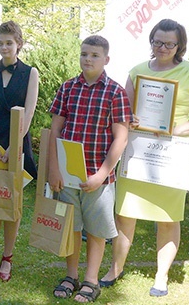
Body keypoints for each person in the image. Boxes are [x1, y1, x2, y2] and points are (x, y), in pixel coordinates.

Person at [101, 19, 189, 297]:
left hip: (172, 154)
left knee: (167, 218)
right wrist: (130, 119)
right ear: (151, 42)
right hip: (138, 152)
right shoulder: (137, 71)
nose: (162, 47)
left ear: (179, 46)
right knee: (125, 214)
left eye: (169, 43)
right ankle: (116, 268)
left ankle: (161, 277)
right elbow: (123, 112)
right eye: (157, 42)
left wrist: (175, 129)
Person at [49, 35, 131, 302]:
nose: (88, 59)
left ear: (106, 59)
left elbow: (121, 137)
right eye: (84, 54)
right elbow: (55, 131)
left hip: (98, 175)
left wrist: (102, 173)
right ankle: (71, 276)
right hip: (68, 173)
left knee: (95, 231)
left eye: (95, 55)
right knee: (71, 226)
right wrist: (53, 169)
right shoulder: (68, 88)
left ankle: (91, 280)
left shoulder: (115, 92)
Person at [0, 21, 39, 285]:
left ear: (19, 44)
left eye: (9, 43)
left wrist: (14, 146)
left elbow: (30, 111)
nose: (4, 47)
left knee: (12, 205)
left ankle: (7, 257)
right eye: (0, 43)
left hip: (17, 146)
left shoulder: (30, 73)